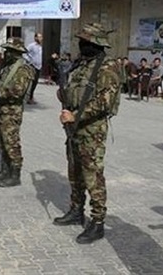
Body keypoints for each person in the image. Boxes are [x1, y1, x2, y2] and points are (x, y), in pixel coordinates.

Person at [52, 23, 121, 245]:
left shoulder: (107, 68)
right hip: (74, 129)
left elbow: (105, 102)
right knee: (75, 172)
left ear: (97, 44)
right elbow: (77, 92)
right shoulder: (81, 65)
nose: (82, 45)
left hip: (92, 131)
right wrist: (64, 96)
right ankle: (76, 210)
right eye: (81, 41)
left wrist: (75, 115)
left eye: (86, 42)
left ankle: (98, 222)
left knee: (93, 177)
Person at [0, 38, 34, 187]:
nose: (6, 53)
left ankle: (15, 175)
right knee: (2, 142)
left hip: (12, 111)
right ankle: (5, 170)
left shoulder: (23, 69)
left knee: (11, 143)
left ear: (16, 52)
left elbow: (17, 91)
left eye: (9, 51)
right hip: (2, 110)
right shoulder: (7, 67)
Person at [24, 33, 43, 104]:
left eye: (41, 37)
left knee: (35, 83)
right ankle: (28, 97)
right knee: (30, 82)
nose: (41, 39)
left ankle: (31, 96)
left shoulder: (41, 47)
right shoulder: (31, 46)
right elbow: (24, 53)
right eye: (39, 37)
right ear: (35, 38)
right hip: (32, 66)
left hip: (39, 67)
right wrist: (29, 60)